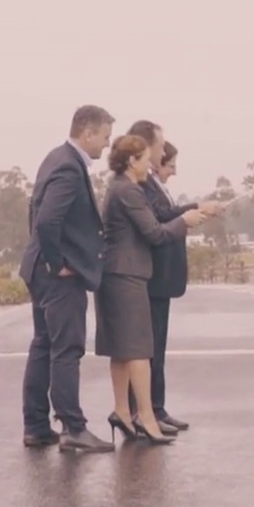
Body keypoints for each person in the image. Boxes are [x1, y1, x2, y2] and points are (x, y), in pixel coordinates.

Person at [95, 133, 206, 444]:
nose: (151, 165)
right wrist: (186, 220)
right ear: (132, 161)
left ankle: (121, 410)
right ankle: (145, 416)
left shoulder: (118, 187)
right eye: (146, 159)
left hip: (115, 273)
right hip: (127, 275)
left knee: (119, 351)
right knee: (140, 350)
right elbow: (155, 233)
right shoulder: (129, 191)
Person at [19, 105, 117, 452]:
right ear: (87, 132)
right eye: (104, 137)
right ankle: (73, 430)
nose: (106, 146)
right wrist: (56, 262)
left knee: (44, 345)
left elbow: (35, 213)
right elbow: (46, 221)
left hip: (38, 270)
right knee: (66, 349)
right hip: (57, 276)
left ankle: (36, 426)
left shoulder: (55, 158)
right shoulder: (68, 167)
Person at [126, 120, 224, 431]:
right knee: (147, 349)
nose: (173, 170)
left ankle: (156, 407)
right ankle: (144, 410)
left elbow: (167, 214)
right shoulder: (139, 184)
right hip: (151, 277)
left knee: (158, 348)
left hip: (162, 279)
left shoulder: (154, 185)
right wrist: (193, 211)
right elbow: (160, 218)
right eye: (161, 148)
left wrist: (194, 213)